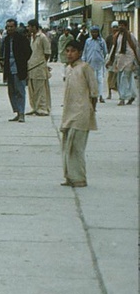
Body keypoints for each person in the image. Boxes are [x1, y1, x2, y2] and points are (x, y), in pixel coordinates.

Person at [60, 40, 98, 188]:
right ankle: (69, 176)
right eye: (67, 51)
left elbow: (94, 92)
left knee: (77, 146)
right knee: (67, 146)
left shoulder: (85, 68)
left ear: (80, 52)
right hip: (68, 113)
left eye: (73, 51)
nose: (69, 54)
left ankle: (79, 178)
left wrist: (90, 111)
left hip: (81, 113)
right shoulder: (69, 69)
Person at [3, 18, 31, 122]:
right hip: (9, 69)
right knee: (11, 92)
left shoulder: (21, 38)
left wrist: (22, 61)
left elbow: (28, 52)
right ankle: (17, 111)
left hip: (19, 68)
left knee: (20, 91)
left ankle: (22, 113)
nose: (9, 28)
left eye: (11, 26)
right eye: (8, 27)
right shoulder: (6, 39)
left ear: (15, 27)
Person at [108, 19, 138, 106]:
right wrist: (111, 59)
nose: (120, 27)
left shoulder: (130, 35)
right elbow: (115, 48)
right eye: (119, 25)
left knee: (124, 78)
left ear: (126, 26)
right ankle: (132, 95)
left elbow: (135, 47)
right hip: (120, 59)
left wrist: (136, 60)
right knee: (124, 79)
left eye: (122, 25)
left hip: (129, 58)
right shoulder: (117, 36)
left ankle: (122, 98)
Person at [26, 19, 52, 116]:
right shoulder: (32, 37)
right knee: (32, 89)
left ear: (34, 27)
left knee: (40, 88)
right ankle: (34, 107)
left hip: (39, 66)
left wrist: (43, 63)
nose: (28, 28)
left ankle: (42, 108)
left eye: (29, 26)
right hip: (31, 66)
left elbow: (47, 53)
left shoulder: (42, 37)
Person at [82, 25, 109, 103]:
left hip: (99, 63)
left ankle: (100, 95)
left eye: (96, 32)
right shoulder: (88, 41)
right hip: (90, 63)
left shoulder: (101, 41)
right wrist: (84, 61)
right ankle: (93, 95)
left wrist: (104, 60)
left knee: (100, 79)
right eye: (93, 32)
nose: (94, 34)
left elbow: (105, 52)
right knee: (91, 79)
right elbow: (85, 52)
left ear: (98, 33)